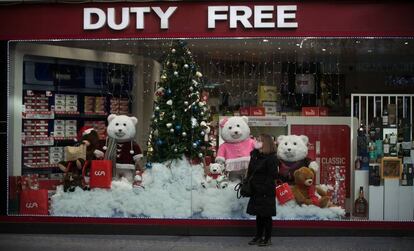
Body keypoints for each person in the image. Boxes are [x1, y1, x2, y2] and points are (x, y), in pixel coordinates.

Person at [246, 134, 279, 246]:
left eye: (260, 140)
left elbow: (273, 175)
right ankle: (258, 236)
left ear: (266, 143)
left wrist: (263, 187)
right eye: (257, 140)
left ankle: (267, 238)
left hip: (266, 190)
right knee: (258, 214)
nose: (257, 142)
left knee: (266, 215)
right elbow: (250, 172)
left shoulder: (271, 158)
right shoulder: (254, 155)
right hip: (255, 189)